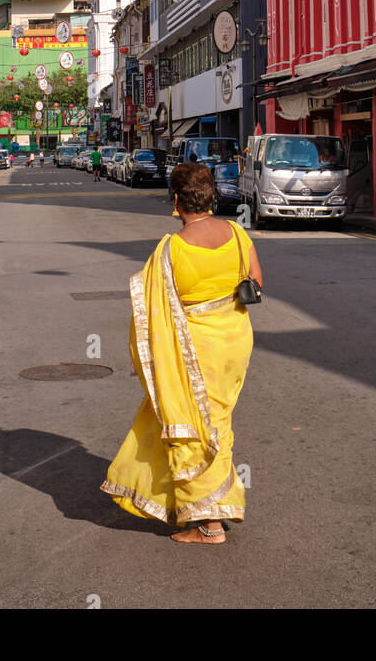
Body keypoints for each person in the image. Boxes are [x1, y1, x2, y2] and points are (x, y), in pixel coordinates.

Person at [101, 162, 262, 544]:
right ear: (210, 196)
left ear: (176, 201)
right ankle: (206, 510)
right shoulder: (238, 234)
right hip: (235, 342)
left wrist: (148, 357)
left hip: (194, 350)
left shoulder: (171, 249)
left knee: (194, 430)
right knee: (216, 422)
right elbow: (256, 282)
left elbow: (151, 314)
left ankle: (209, 524)